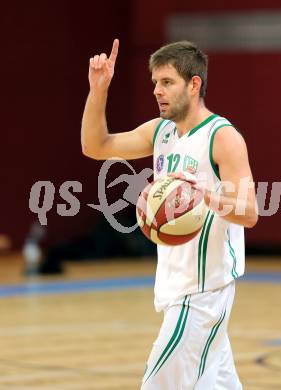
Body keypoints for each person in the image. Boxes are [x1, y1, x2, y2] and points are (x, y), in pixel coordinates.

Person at [81, 39, 258, 389]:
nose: (157, 91)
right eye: (155, 84)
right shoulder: (161, 132)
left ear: (194, 84)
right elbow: (95, 146)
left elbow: (249, 212)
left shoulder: (222, 138)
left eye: (167, 82)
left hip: (202, 295)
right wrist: (98, 89)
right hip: (177, 290)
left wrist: (206, 197)